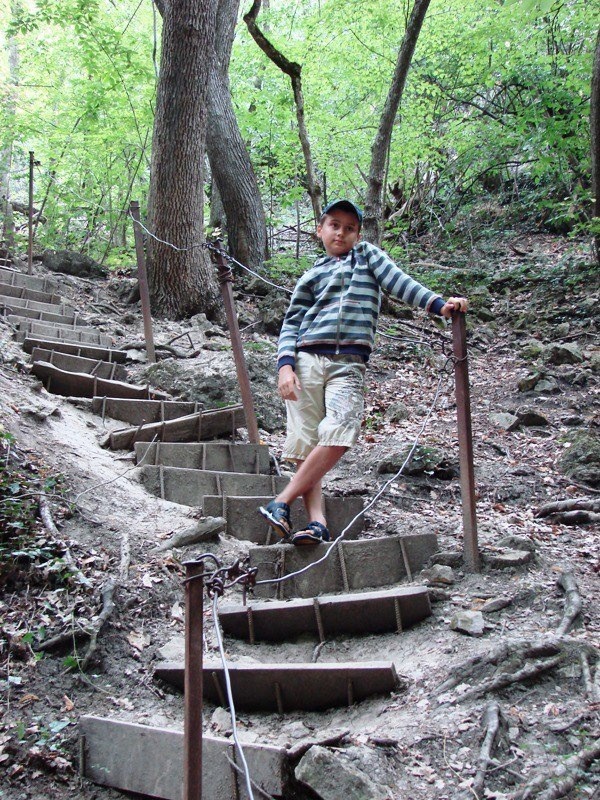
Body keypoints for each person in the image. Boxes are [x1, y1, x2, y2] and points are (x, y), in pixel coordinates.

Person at [259, 199, 468, 545]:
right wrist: (285, 367)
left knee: (340, 432)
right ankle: (317, 523)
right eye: (334, 225)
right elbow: (291, 324)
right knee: (306, 443)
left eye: (350, 228)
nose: (341, 233)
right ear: (320, 229)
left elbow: (399, 282)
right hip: (306, 360)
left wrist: (438, 305)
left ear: (358, 234)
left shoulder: (367, 257)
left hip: (349, 364)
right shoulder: (311, 275)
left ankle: (280, 501)